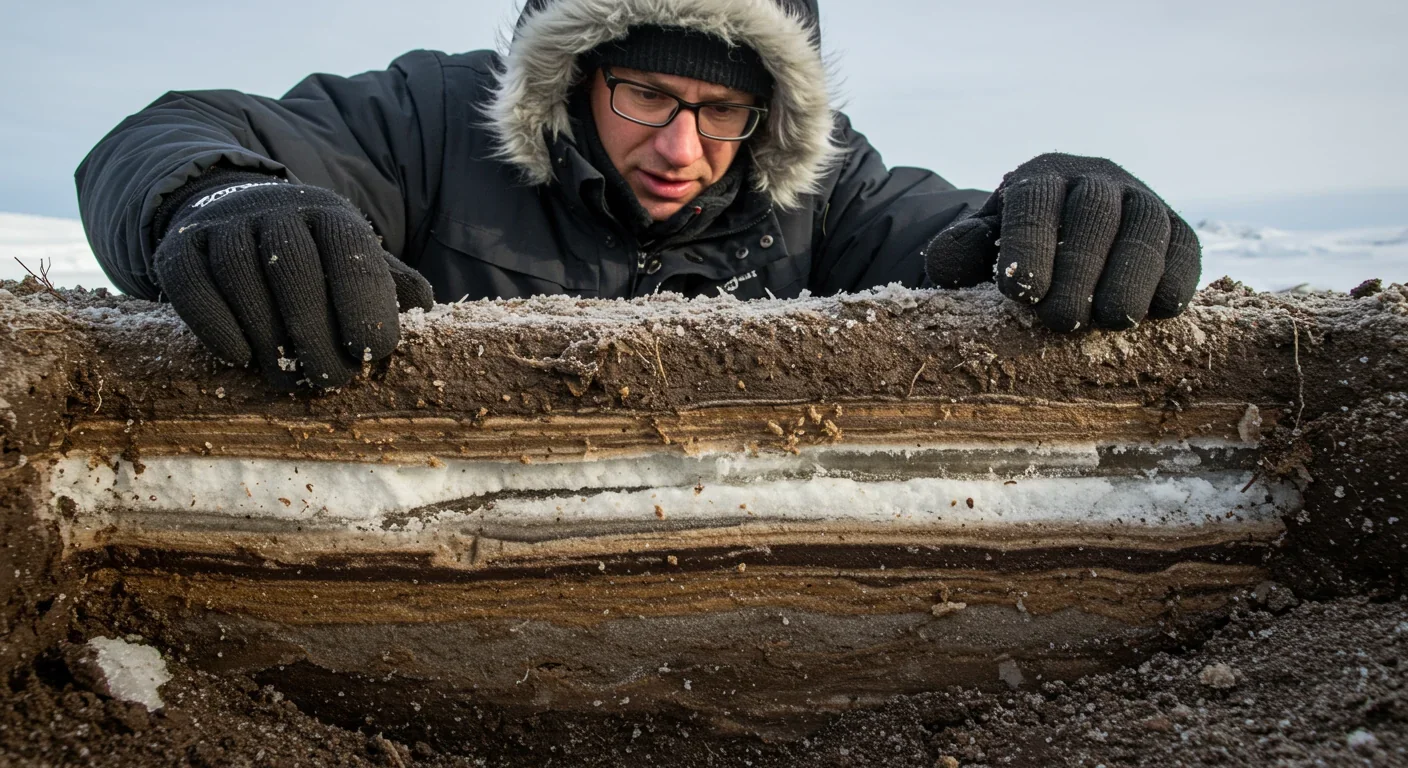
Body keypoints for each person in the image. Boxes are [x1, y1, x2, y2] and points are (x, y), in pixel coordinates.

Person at [76, 0, 1201, 391]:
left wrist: (1049, 204)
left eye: (722, 112)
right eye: (646, 95)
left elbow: (942, 233)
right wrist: (219, 198)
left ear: (770, 117)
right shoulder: (432, 116)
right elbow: (177, 133)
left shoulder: (816, 181)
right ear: (574, 79)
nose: (682, 145)